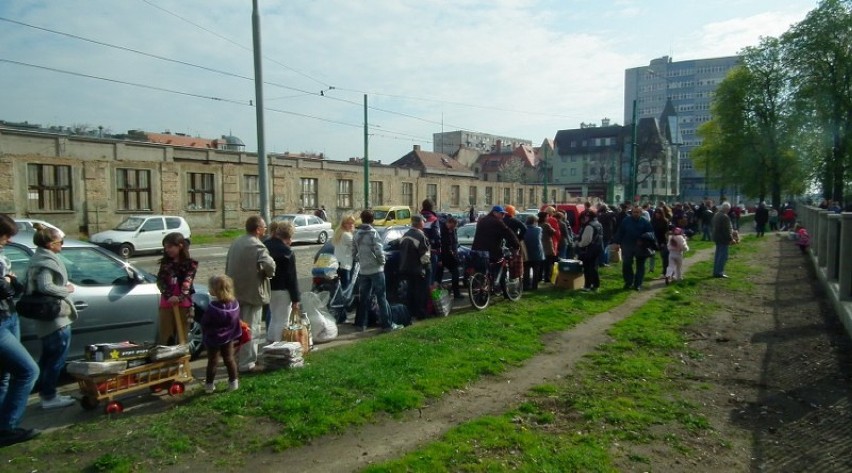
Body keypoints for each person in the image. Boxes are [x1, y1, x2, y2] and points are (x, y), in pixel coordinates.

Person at [25, 224, 77, 409]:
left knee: (48, 358)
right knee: (56, 359)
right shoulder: (46, 261)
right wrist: (67, 289)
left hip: (49, 317)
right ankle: (49, 396)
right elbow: (45, 286)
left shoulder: (39, 257)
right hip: (55, 318)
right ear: (50, 244)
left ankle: (46, 394)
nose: (62, 245)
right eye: (59, 242)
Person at [0, 214, 41, 445]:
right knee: (28, 371)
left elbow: (15, 288)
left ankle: (3, 425)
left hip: (8, 315)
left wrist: (9, 282)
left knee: (5, 375)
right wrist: (7, 282)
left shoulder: (2, 256)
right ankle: (7, 428)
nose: (6, 241)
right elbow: (5, 289)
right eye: (5, 235)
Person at [225, 215, 276, 373]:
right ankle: (247, 364)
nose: (266, 229)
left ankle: (237, 359)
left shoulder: (237, 241)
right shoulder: (257, 245)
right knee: (251, 329)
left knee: (238, 329)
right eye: (264, 227)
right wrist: (267, 273)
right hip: (251, 292)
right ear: (258, 229)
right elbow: (270, 265)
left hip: (234, 291)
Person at [352, 210, 398, 332]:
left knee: (364, 298)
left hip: (363, 270)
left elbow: (353, 251)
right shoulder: (373, 233)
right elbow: (378, 250)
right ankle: (387, 324)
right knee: (381, 297)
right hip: (376, 270)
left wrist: (359, 259)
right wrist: (382, 261)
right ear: (372, 220)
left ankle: (361, 324)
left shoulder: (357, 234)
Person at [200, 275, 242, 393]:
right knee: (229, 359)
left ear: (214, 291)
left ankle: (209, 385)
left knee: (213, 361)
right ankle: (233, 383)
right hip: (228, 337)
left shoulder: (213, 308)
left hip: (213, 338)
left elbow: (205, 322)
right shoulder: (234, 304)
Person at [156, 232, 198, 345]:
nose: (167, 250)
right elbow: (160, 281)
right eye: (165, 248)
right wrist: (169, 296)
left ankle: (182, 360)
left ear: (180, 246)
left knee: (182, 335)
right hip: (167, 303)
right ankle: (167, 359)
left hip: (183, 303)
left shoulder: (191, 264)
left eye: (170, 247)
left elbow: (187, 282)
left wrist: (179, 298)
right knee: (166, 334)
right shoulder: (165, 263)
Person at [264, 221, 300, 342]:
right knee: (283, 320)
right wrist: (296, 299)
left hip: (268, 287)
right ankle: (278, 347)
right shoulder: (287, 252)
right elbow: (292, 277)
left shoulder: (265, 245)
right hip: (282, 289)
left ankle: (270, 342)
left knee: (274, 317)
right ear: (289, 236)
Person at [612, 205, 654, 291]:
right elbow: (620, 232)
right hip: (627, 245)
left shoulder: (645, 222)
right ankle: (628, 282)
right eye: (634, 212)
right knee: (626, 264)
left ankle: (638, 284)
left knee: (640, 266)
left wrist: (643, 238)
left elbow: (651, 233)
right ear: (632, 212)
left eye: (638, 212)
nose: (636, 214)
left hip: (641, 247)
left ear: (641, 213)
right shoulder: (626, 221)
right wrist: (617, 243)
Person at [399, 215, 430, 320]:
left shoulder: (405, 235)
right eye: (423, 221)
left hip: (405, 268)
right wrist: (426, 267)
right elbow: (425, 256)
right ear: (419, 223)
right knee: (420, 292)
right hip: (417, 268)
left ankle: (409, 313)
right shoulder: (421, 236)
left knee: (410, 291)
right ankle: (420, 314)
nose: (424, 223)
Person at [332, 214, 356, 322]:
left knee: (340, 291)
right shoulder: (347, 235)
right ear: (344, 224)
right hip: (346, 265)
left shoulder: (339, 233)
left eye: (352, 223)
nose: (351, 225)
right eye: (349, 223)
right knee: (346, 292)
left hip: (339, 264)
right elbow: (356, 247)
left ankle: (340, 315)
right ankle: (343, 316)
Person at [576, 209, 603, 292]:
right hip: (597, 248)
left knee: (588, 268)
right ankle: (595, 285)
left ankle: (588, 286)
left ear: (587, 217)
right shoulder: (598, 224)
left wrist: (579, 244)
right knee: (594, 268)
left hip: (589, 250)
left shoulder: (589, 226)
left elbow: (586, 240)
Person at [439, 216, 462, 299]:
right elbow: (441, 245)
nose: (454, 228)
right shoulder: (442, 230)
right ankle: (437, 297)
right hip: (444, 256)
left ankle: (456, 294)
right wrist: (440, 259)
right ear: (450, 223)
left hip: (451, 256)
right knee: (438, 278)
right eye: (453, 226)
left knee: (456, 274)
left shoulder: (453, 230)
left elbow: (454, 242)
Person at [420, 199, 442, 285]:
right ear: (432, 208)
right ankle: (428, 296)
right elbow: (437, 236)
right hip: (431, 251)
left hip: (418, 252)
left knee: (420, 277)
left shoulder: (418, 217)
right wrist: (438, 249)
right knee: (430, 276)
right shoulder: (433, 219)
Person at [711, 202, 735, 278]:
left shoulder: (716, 214)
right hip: (723, 238)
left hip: (716, 237)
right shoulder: (725, 217)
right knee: (723, 256)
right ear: (726, 209)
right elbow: (726, 230)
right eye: (729, 209)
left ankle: (716, 271)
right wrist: (731, 239)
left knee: (718, 255)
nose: (729, 211)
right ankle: (719, 272)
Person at [523, 216, 544, 291]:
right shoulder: (539, 229)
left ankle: (526, 285)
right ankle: (534, 286)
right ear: (534, 222)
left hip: (526, 253)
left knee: (526, 271)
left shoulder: (524, 229)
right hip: (537, 253)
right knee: (536, 271)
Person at [538, 211, 557, 284]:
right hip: (547, 245)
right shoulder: (546, 225)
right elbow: (553, 232)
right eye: (547, 216)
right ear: (544, 217)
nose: (548, 218)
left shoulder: (538, 224)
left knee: (541, 264)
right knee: (548, 264)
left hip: (540, 246)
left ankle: (539, 277)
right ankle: (547, 278)